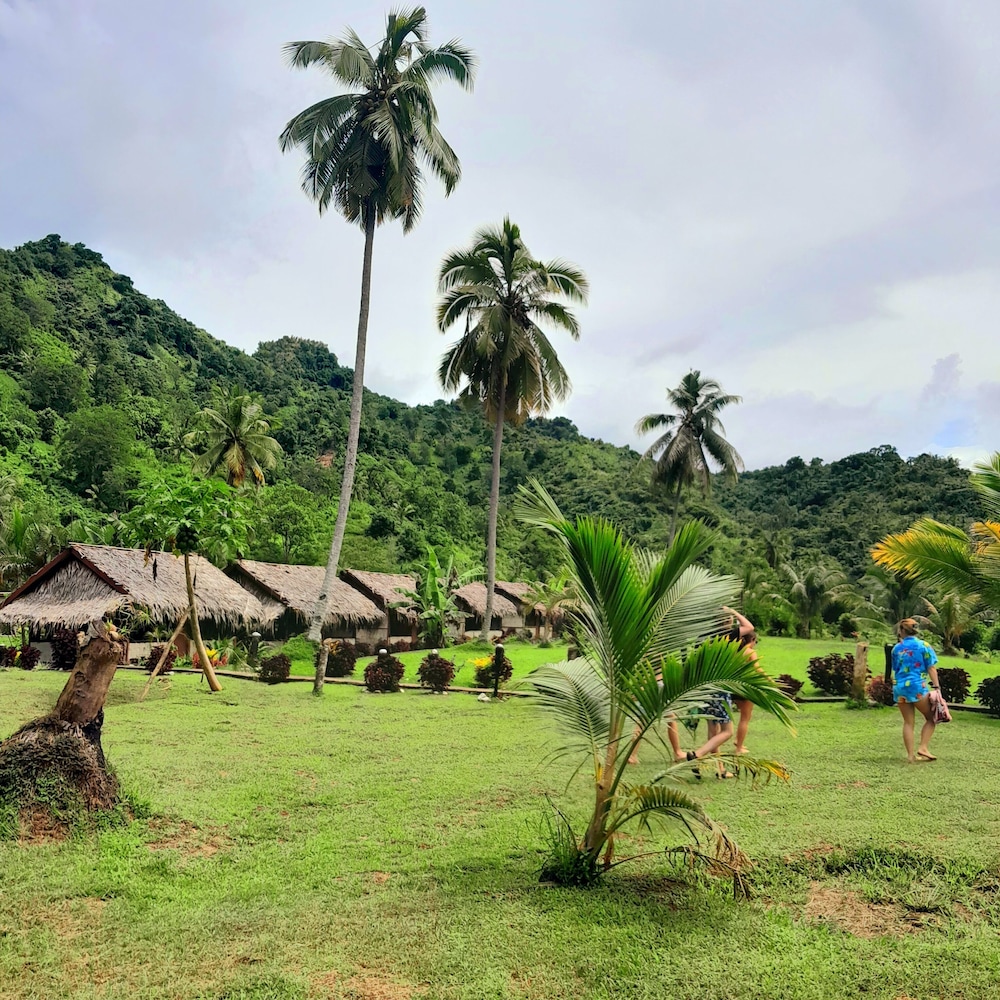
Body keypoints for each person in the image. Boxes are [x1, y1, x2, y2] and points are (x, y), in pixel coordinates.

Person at [891, 617, 940, 763]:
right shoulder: (924, 645)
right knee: (931, 718)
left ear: (901, 631)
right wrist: (937, 687)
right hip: (917, 687)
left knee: (908, 722)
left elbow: (896, 668)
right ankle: (923, 747)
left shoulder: (896, 649)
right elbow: (931, 667)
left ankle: (911, 756)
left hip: (900, 688)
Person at [722, 607, 757, 755]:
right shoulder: (749, 651)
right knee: (745, 718)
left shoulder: (734, 650)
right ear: (753, 640)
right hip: (743, 686)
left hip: (731, 684)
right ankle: (739, 747)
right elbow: (757, 669)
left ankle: (734, 742)